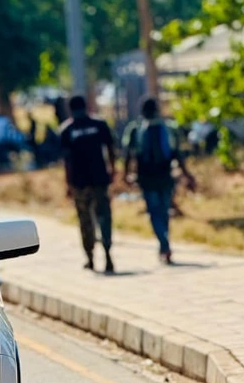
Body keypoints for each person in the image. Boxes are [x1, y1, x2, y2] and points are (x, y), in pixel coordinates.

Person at [123, 96, 195, 265]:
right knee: (163, 211)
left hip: (146, 178)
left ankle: (163, 243)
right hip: (165, 176)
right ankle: (165, 242)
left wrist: (126, 174)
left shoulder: (135, 129)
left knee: (154, 212)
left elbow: (129, 154)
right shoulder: (169, 128)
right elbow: (177, 154)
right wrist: (186, 174)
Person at [59, 94, 117, 273]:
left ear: (70, 109)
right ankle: (108, 255)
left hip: (79, 183)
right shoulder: (99, 124)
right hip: (100, 180)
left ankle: (90, 258)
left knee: (85, 221)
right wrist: (112, 170)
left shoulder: (67, 129)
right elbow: (111, 149)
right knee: (104, 218)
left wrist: (68, 185)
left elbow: (66, 161)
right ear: (87, 105)